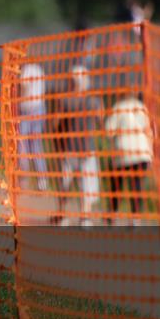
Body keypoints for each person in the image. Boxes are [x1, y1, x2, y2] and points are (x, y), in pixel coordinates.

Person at [52, 64, 104, 226]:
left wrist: (57, 141)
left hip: (68, 148)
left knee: (64, 185)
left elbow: (55, 123)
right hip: (86, 149)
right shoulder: (93, 101)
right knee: (86, 186)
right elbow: (101, 121)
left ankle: (64, 216)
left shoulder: (64, 99)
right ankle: (85, 218)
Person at [104, 95, 152, 224]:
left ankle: (113, 214)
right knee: (137, 186)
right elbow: (149, 131)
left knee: (117, 185)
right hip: (141, 152)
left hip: (123, 153)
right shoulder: (141, 107)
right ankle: (135, 218)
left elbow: (109, 131)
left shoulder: (118, 107)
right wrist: (150, 153)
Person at [18, 64, 49, 192]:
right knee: (35, 145)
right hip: (39, 108)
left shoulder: (26, 69)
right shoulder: (40, 70)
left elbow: (24, 85)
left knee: (22, 143)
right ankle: (41, 181)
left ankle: (24, 179)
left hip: (28, 109)